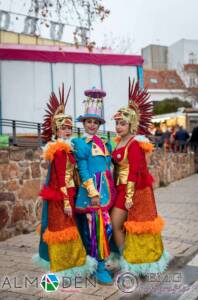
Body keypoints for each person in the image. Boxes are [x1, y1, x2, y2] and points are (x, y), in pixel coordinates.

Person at [33, 84, 97, 277]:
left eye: (69, 127)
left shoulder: (66, 148)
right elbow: (61, 178)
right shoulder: (60, 150)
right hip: (62, 197)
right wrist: (68, 202)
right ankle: (65, 268)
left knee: (66, 229)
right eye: (63, 128)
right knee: (63, 230)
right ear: (56, 130)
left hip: (65, 195)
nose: (67, 131)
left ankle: (66, 266)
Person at [111, 78, 169, 275]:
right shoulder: (118, 141)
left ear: (131, 124)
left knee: (125, 225)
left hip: (134, 192)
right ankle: (124, 257)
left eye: (123, 123)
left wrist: (128, 197)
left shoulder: (135, 143)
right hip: (118, 189)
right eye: (117, 123)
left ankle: (132, 260)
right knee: (117, 226)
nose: (118, 126)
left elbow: (136, 172)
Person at [72, 87, 115, 285]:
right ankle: (98, 267)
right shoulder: (81, 144)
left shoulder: (105, 143)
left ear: (98, 124)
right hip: (93, 194)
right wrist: (93, 192)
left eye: (95, 122)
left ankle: (96, 264)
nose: (91, 125)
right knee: (96, 229)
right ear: (83, 123)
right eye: (88, 121)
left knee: (104, 229)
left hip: (106, 193)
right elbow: (83, 170)